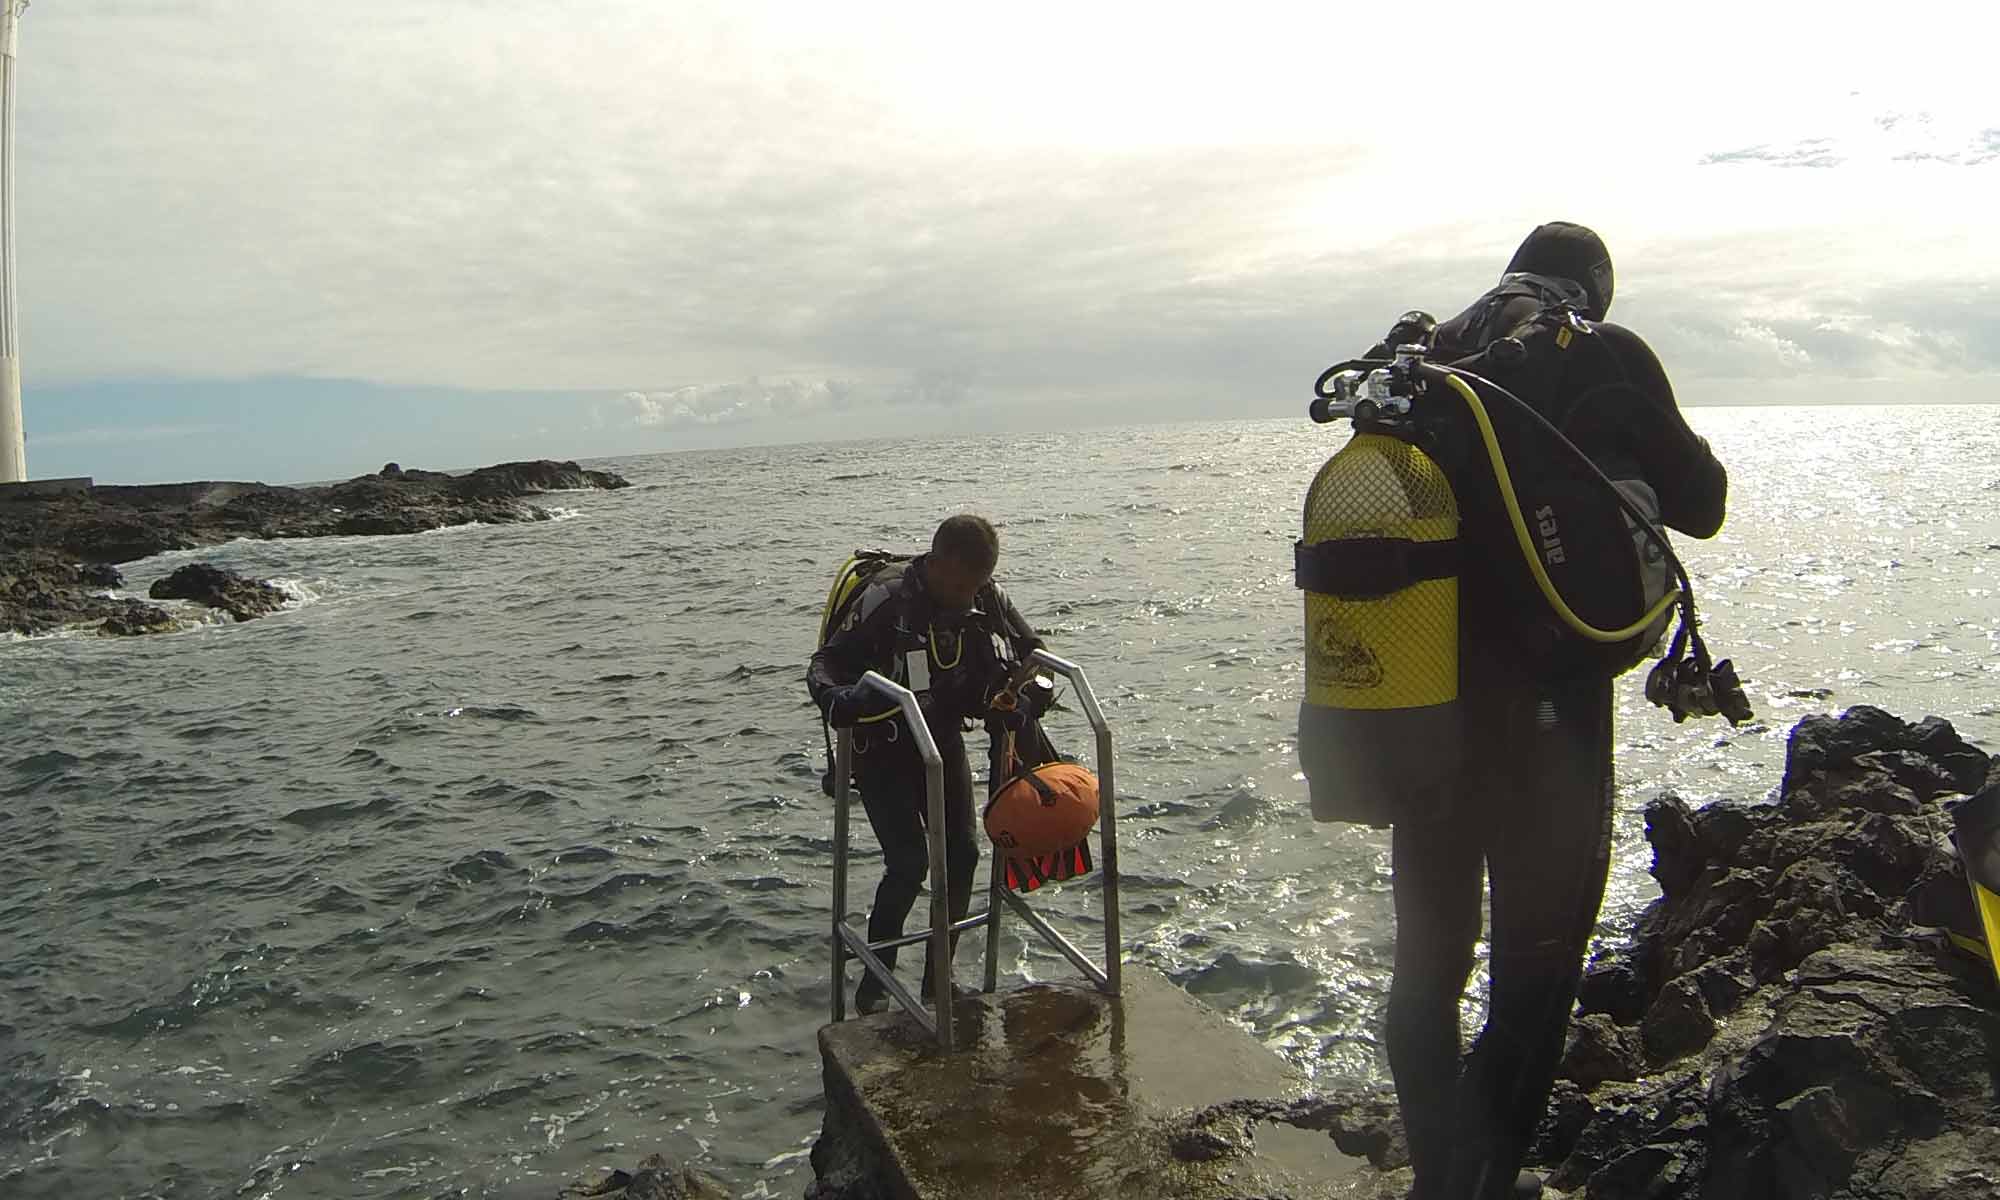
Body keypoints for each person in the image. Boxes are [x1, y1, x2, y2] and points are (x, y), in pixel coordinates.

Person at [1380, 223, 1728, 1199]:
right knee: (1535, 976)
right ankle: (1481, 1183)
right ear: (1595, 287)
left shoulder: (1426, 359)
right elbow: (1702, 504)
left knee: (1426, 968)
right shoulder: (1600, 352)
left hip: (1421, 719)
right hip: (1551, 731)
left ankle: (1435, 1176)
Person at [807, 514, 1042, 1014]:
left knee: (963, 857)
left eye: (974, 586)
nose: (964, 597)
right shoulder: (888, 600)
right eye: (957, 586)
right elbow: (825, 663)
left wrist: (1027, 693)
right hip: (883, 745)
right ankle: (875, 985)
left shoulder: (986, 597)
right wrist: (837, 698)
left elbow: (1032, 651)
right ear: (934, 563)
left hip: (940, 740)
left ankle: (938, 982)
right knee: (909, 863)